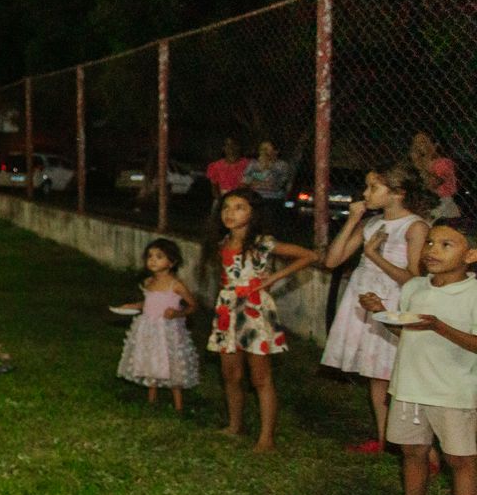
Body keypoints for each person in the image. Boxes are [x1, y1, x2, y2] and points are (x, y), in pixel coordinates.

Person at [361, 215, 477, 495]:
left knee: (461, 460)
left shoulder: (472, 293)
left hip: (453, 390)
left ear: (470, 256)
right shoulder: (414, 287)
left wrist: (441, 328)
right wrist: (381, 313)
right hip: (410, 384)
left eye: (445, 245)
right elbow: (406, 329)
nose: (432, 250)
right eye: (429, 242)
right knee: (413, 452)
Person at [319, 163, 428, 453]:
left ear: (397, 194)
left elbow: (415, 279)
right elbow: (332, 261)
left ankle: (420, 446)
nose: (365, 193)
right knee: (375, 373)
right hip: (363, 297)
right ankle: (383, 439)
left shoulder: (415, 226)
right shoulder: (371, 224)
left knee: (397, 375)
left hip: (392, 300)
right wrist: (353, 220)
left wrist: (373, 256)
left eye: (373, 188)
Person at [204, 187, 317, 453]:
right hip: (228, 311)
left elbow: (309, 256)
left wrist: (274, 278)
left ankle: (267, 438)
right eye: (226, 208)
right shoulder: (221, 244)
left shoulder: (263, 244)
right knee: (231, 374)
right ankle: (235, 426)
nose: (230, 213)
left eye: (239, 207)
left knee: (261, 378)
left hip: (254, 311)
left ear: (253, 213)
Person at [115, 237, 200, 410]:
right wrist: (133, 306)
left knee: (171, 362)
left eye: (159, 256)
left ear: (171, 262)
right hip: (149, 328)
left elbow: (193, 305)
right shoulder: (148, 282)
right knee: (150, 359)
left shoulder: (176, 285)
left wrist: (178, 313)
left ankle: (178, 405)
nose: (153, 260)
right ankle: (151, 399)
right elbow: (148, 303)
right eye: (150, 256)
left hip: (167, 330)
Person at [410, 130, 461, 218]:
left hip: (442, 203)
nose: (418, 145)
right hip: (422, 203)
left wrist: (421, 165)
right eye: (415, 142)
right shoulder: (414, 164)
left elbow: (432, 183)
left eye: (423, 141)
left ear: (434, 144)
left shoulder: (443, 163)